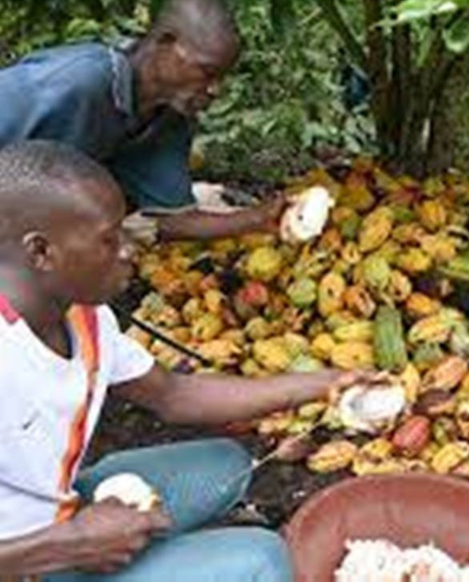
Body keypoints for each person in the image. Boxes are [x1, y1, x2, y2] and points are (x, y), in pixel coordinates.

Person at [0, 141, 365, 581]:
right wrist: (68, 546)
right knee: (263, 561)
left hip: (55, 509)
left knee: (226, 466)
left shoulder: (84, 314)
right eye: (108, 240)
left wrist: (326, 383)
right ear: (41, 252)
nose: (129, 251)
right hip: (29, 562)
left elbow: (174, 394)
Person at [0, 0, 284, 244]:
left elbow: (172, 218)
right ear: (165, 42)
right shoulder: (75, 82)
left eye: (221, 78)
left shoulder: (167, 118)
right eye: (207, 72)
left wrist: (257, 219)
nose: (214, 89)